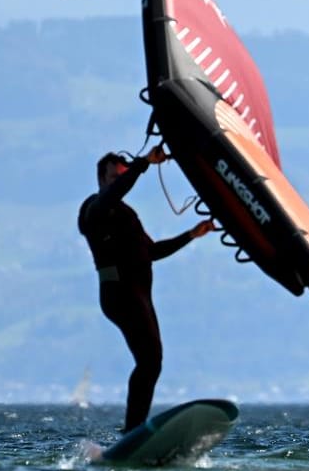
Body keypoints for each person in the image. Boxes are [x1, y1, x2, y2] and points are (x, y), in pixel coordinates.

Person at [78, 148, 216, 432]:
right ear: (102, 180)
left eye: (121, 176)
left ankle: (133, 429)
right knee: (150, 361)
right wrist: (143, 164)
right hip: (119, 293)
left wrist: (191, 234)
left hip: (140, 295)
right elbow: (115, 192)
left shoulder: (127, 214)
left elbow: (151, 251)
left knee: (152, 362)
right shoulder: (94, 209)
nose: (119, 181)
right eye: (114, 177)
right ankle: (133, 429)